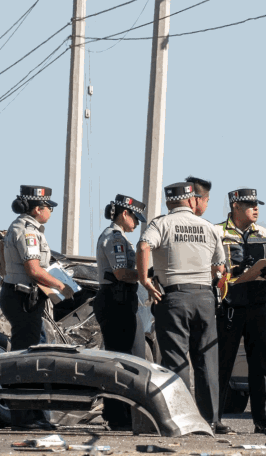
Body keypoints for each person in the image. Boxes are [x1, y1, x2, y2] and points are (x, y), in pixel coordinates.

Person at [138, 178, 230, 434]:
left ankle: (182, 418)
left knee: (177, 359)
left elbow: (144, 246)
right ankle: (211, 420)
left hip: (174, 297)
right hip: (204, 296)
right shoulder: (208, 227)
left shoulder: (162, 223)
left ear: (169, 201)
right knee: (207, 360)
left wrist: (145, 278)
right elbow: (220, 268)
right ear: (191, 200)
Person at [1, 185, 70, 430]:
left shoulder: (20, 227)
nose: (50, 211)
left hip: (23, 296)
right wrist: (62, 286)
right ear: (38, 209)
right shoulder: (28, 231)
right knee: (28, 360)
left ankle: (34, 416)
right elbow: (33, 269)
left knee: (32, 355)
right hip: (23, 299)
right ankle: (25, 418)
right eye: (48, 207)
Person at [215, 188, 266, 433]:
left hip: (258, 304)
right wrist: (234, 272)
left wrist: (263, 270)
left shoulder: (263, 232)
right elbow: (214, 268)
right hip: (230, 305)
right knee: (222, 363)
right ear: (235, 207)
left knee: (261, 364)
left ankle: (263, 421)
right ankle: (214, 419)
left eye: (257, 204)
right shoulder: (218, 231)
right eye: (250, 204)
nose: (256, 209)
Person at [93, 193, 147, 428]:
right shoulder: (115, 238)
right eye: (135, 217)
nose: (137, 222)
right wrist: (147, 276)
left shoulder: (121, 237)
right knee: (122, 360)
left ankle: (123, 414)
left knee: (128, 359)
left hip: (121, 300)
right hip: (116, 301)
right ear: (124, 213)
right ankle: (118, 416)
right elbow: (121, 273)